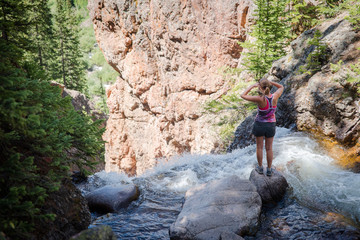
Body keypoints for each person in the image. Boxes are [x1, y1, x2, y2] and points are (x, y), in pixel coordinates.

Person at [240, 78, 284, 176]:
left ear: (260, 87)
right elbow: (281, 86)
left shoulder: (259, 98)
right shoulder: (275, 96)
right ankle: (269, 169)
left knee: (259, 147)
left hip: (259, 124)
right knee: (269, 148)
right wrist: (270, 82)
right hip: (271, 125)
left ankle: (260, 168)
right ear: (268, 86)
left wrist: (252, 86)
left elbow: (243, 95)